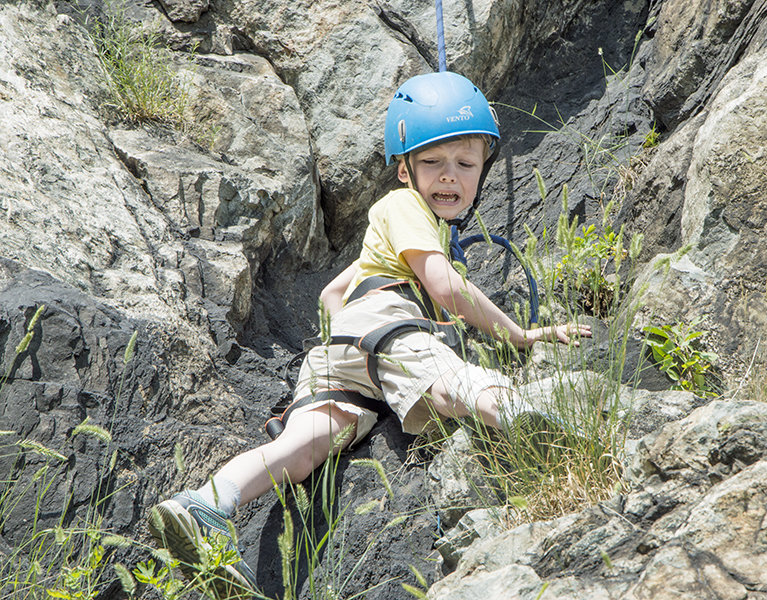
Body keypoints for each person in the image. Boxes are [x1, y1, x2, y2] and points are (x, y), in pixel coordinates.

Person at [147, 71, 591, 597]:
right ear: (404, 170)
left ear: (481, 171)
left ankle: (209, 502)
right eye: (432, 162)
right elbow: (445, 288)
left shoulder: (395, 227)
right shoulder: (406, 208)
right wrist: (519, 335)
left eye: (465, 164)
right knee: (448, 383)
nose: (449, 176)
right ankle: (533, 420)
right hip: (387, 327)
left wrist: (352, 349)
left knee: (302, 446)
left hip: (342, 352)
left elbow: (333, 294)